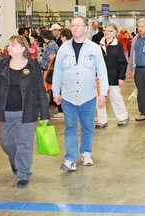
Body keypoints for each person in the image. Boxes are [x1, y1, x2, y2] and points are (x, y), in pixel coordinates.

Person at [0, 35, 50, 189]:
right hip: (5, 111)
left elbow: (41, 91)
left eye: (13, 45)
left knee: (24, 144)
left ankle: (23, 174)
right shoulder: (3, 64)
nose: (9, 47)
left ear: (22, 49)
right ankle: (15, 161)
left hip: (26, 112)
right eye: (9, 44)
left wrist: (45, 114)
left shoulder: (33, 67)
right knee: (5, 142)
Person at [52, 16, 109, 172]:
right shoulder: (63, 48)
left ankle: (86, 153)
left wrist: (103, 93)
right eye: (73, 25)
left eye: (79, 25)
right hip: (68, 97)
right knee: (70, 128)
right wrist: (55, 92)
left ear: (86, 28)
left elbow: (102, 72)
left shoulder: (94, 48)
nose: (76, 28)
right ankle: (70, 159)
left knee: (87, 127)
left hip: (88, 97)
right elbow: (57, 72)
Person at [96, 23, 129, 129]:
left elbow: (122, 63)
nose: (106, 32)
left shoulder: (118, 45)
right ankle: (102, 120)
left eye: (110, 31)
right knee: (100, 99)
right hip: (100, 77)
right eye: (105, 30)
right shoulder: (98, 45)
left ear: (115, 33)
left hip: (113, 76)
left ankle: (123, 117)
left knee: (115, 97)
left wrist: (121, 77)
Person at [53, 28, 73, 118]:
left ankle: (62, 111)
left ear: (64, 37)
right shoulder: (73, 46)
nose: (60, 38)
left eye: (61, 36)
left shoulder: (64, 47)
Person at [41, 30, 59, 107]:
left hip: (49, 68)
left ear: (45, 37)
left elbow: (50, 58)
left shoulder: (50, 45)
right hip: (51, 68)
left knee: (50, 84)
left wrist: (44, 67)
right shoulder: (53, 43)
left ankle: (53, 101)